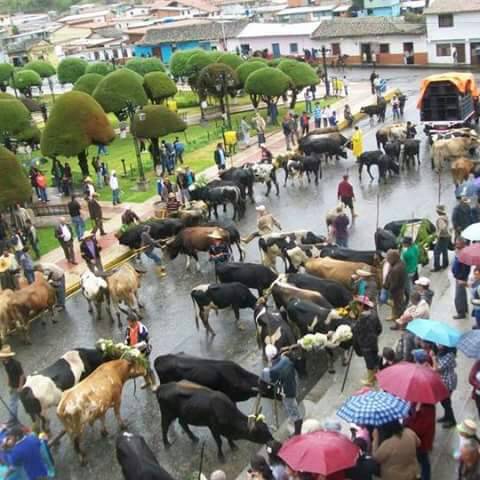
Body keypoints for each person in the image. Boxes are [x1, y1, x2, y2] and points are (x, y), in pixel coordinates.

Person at [262, 344, 303, 435]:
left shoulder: (272, 370)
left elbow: (269, 381)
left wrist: (268, 369)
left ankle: (297, 432)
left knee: (293, 411)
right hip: (292, 385)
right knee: (293, 405)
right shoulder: (286, 359)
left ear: (268, 356)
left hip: (286, 392)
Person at [351, 295, 382, 386]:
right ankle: (375, 375)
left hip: (365, 344)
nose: (356, 306)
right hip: (374, 341)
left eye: (357, 305)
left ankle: (370, 380)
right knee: (374, 357)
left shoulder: (362, 319)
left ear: (361, 306)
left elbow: (355, 330)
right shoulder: (374, 314)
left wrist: (353, 320)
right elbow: (379, 328)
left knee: (369, 361)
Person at [124, 312, 156, 390]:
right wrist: (125, 344)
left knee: (148, 367)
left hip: (143, 351)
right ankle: (147, 381)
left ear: (134, 321)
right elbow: (127, 338)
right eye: (128, 322)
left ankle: (154, 383)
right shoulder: (128, 329)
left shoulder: (142, 329)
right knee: (142, 368)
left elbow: (145, 342)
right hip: (135, 352)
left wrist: (133, 347)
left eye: (130, 322)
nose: (129, 324)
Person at [405, 402, 436, 480]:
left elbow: (419, 429)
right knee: (421, 459)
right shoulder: (415, 403)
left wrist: (407, 421)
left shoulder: (428, 409)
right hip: (416, 439)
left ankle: (426, 477)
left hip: (423, 441)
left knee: (423, 459)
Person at [433, 345, 458, 429]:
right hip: (442, 380)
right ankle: (446, 416)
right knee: (443, 401)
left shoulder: (449, 355)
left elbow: (437, 369)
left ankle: (452, 420)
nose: (438, 345)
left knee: (446, 401)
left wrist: (433, 357)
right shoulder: (442, 353)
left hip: (448, 381)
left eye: (440, 344)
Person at [0, 345, 24, 427]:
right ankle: (13, 419)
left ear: (7, 357)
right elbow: (9, 373)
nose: (1, 358)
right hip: (13, 385)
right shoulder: (4, 363)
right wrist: (9, 384)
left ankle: (12, 420)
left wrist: (20, 387)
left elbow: (21, 375)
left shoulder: (16, 364)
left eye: (2, 357)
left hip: (20, 384)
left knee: (14, 403)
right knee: (13, 402)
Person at [384, 249, 407, 321]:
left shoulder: (396, 269)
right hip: (401, 288)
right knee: (397, 304)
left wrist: (389, 291)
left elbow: (394, 284)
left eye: (388, 258)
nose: (387, 260)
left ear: (393, 258)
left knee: (397, 305)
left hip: (396, 291)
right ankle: (395, 316)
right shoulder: (401, 263)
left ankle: (399, 320)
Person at [453, 238, 471, 320]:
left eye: (458, 243)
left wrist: (461, 278)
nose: (456, 244)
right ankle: (465, 309)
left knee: (458, 296)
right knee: (462, 294)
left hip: (461, 278)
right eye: (456, 243)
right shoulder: (459, 251)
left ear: (463, 244)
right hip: (459, 277)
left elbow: (465, 268)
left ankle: (461, 313)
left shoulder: (464, 253)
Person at [432, 204, 450, 271]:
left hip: (442, 237)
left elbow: (442, 228)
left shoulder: (440, 219)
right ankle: (445, 264)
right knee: (444, 250)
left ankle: (437, 267)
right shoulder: (446, 216)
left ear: (438, 211)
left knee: (436, 252)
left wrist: (437, 234)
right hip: (447, 236)